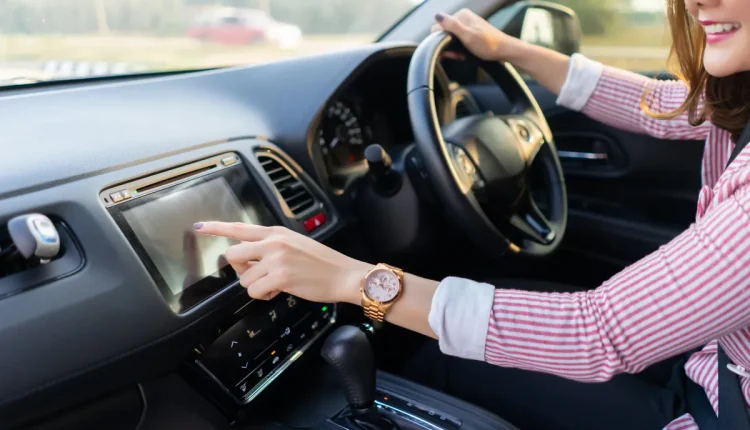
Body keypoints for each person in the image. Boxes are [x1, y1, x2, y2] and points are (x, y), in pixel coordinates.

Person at [193, 1, 750, 428]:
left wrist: (351, 278)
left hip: (715, 412)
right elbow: (663, 107)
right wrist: (508, 48)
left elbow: (594, 332)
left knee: (431, 358)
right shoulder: (740, 99)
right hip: (715, 366)